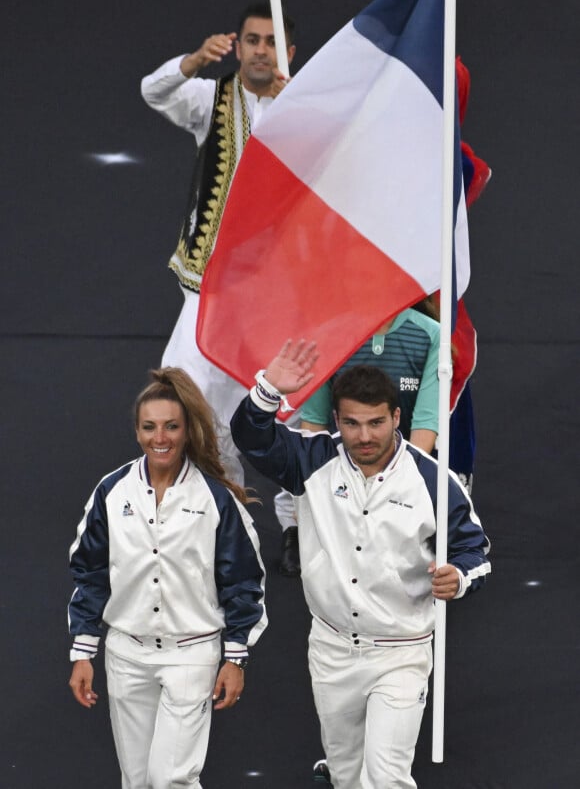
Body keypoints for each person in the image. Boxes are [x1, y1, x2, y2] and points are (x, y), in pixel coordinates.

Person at [231, 340, 490, 789]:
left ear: (396, 418)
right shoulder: (311, 460)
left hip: (402, 652)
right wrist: (269, 388)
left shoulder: (434, 480)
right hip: (330, 651)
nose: (364, 436)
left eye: (375, 423)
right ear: (336, 421)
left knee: (386, 778)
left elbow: (475, 552)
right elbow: (251, 437)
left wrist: (460, 577)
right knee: (348, 777)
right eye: (351, 423)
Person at [68, 367, 267, 789]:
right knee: (137, 781)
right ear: (137, 431)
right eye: (150, 427)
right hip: (127, 655)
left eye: (171, 427)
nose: (161, 438)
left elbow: (244, 582)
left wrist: (235, 658)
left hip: (191, 655)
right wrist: (82, 651)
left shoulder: (216, 499)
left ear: (186, 429)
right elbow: (90, 572)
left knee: (171, 779)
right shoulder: (111, 491)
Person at [141, 3, 296, 485]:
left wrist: (301, 116)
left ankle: (295, 524)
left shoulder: (308, 108)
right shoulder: (213, 99)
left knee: (287, 410)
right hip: (208, 286)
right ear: (238, 46)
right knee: (184, 393)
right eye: (253, 40)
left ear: (289, 52)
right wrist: (191, 62)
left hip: (276, 292)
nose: (261, 51)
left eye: (272, 42)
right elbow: (153, 91)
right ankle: (222, 508)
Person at [275, 306, 440, 576]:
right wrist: (303, 499)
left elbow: (425, 423)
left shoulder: (432, 335)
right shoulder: (328, 333)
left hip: (402, 472)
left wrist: (401, 489)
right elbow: (314, 423)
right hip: (345, 474)